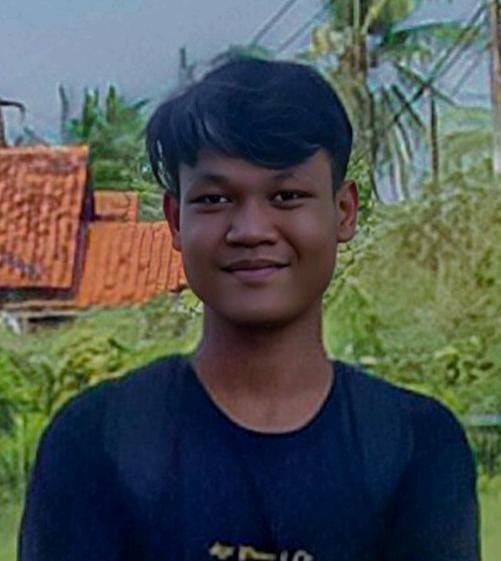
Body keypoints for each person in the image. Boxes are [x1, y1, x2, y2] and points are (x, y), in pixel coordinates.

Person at [19, 56, 479, 561]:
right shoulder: (93, 443)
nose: (251, 230)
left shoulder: (418, 446)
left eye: (287, 195)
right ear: (175, 220)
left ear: (343, 211)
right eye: (215, 200)